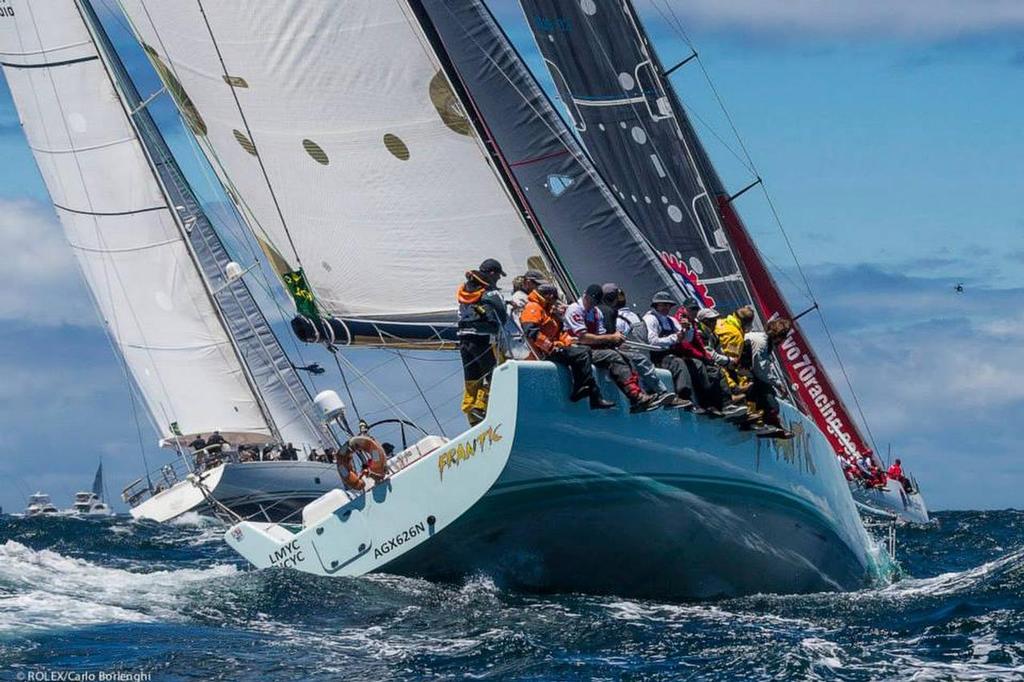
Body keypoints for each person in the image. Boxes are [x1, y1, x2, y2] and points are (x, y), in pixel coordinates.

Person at [644, 293, 742, 417]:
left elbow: (687, 339)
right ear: (656, 305)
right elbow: (652, 341)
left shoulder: (671, 320)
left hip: (674, 355)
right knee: (679, 364)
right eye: (663, 305)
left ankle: (710, 404)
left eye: (668, 305)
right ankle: (684, 398)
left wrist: (687, 329)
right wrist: (674, 338)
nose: (666, 308)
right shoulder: (651, 319)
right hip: (660, 356)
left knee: (698, 365)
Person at [565, 284, 658, 412]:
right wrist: (611, 338)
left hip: (593, 349)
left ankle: (637, 397)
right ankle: (636, 396)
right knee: (613, 356)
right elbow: (583, 338)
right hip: (577, 349)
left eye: (595, 303)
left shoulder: (596, 312)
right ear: (585, 295)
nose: (592, 305)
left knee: (625, 357)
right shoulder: (574, 309)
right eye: (590, 301)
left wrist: (616, 341)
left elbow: (601, 334)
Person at [520, 283, 615, 409]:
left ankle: (591, 394)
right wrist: (549, 346)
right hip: (545, 350)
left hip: (555, 347)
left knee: (583, 350)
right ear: (549, 296)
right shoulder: (533, 307)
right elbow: (531, 332)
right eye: (555, 299)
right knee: (581, 353)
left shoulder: (548, 310)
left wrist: (569, 341)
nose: (556, 302)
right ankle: (584, 391)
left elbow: (560, 333)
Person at [604, 284, 682, 408]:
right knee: (638, 361)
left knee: (641, 361)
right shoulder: (636, 317)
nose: (666, 308)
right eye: (663, 304)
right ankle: (657, 393)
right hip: (627, 354)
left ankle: (655, 394)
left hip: (639, 353)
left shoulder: (625, 316)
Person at [457, 258, 509, 425]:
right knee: (494, 374)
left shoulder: (465, 290)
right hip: (483, 339)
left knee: (472, 378)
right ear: (492, 273)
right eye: (498, 276)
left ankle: (472, 415)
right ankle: (481, 408)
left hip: (464, 339)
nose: (498, 279)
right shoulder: (490, 292)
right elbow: (502, 315)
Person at [741, 318, 794, 438]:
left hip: (745, 371)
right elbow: (760, 370)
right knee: (769, 395)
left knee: (767, 389)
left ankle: (771, 424)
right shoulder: (761, 343)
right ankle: (763, 423)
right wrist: (778, 384)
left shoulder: (763, 340)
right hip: (741, 373)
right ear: (779, 337)